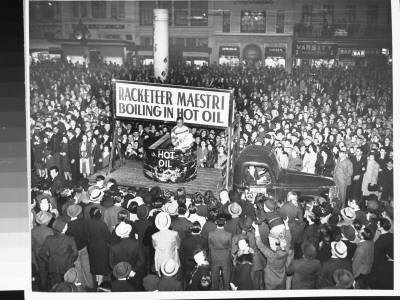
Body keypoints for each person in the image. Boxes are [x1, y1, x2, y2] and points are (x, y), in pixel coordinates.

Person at [39, 219, 78, 288]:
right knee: (66, 286)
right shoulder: (70, 239)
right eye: (66, 225)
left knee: (55, 286)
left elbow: (41, 253)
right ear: (62, 228)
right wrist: (70, 262)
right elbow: (75, 253)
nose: (67, 225)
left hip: (53, 268)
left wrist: (50, 261)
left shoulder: (48, 238)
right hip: (66, 267)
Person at [254, 217, 291, 290]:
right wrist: (286, 224)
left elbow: (259, 244)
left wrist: (256, 229)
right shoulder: (286, 251)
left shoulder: (271, 255)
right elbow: (288, 239)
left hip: (270, 282)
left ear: (274, 244)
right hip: (282, 279)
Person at [86, 207, 111, 287]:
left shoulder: (87, 223)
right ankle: (100, 283)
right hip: (101, 247)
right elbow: (108, 237)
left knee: (95, 262)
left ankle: (97, 279)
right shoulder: (102, 224)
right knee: (101, 264)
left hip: (92, 245)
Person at [152, 212, 181, 276]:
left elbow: (154, 247)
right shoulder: (174, 234)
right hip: (172, 257)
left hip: (160, 259)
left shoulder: (154, 236)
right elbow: (178, 245)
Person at [208, 216, 232, 290]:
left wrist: (214, 250)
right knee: (226, 279)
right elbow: (230, 247)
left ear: (216, 223)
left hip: (214, 256)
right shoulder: (229, 234)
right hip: (225, 257)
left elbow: (210, 246)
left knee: (214, 279)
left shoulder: (210, 234)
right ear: (224, 223)